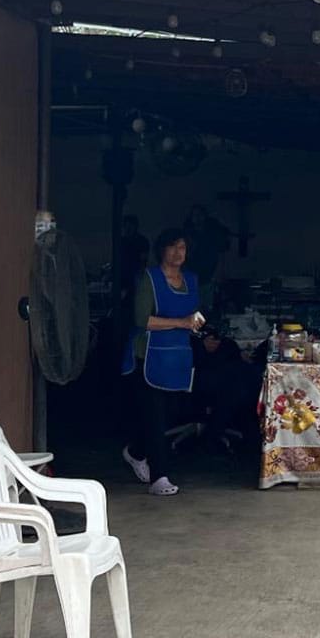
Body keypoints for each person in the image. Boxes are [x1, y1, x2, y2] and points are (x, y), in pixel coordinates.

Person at [121, 228, 200, 496]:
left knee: (172, 414)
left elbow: (194, 313)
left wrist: (198, 324)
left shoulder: (191, 280)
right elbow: (142, 320)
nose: (178, 253)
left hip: (178, 355)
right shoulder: (149, 279)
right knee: (155, 416)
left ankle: (135, 451)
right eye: (173, 247)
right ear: (162, 250)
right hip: (149, 356)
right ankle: (160, 477)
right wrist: (181, 322)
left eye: (183, 248)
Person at [182, 204, 232, 297]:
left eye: (200, 215)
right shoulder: (187, 234)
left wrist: (219, 271)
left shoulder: (212, 234)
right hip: (192, 273)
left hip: (209, 273)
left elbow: (221, 253)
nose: (197, 218)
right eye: (195, 215)